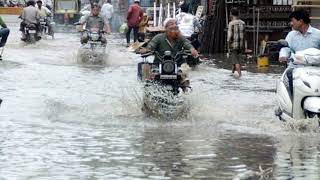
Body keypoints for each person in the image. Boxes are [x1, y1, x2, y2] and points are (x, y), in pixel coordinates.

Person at [139, 18, 199, 90]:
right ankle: (148, 93)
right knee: (148, 73)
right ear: (166, 28)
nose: (174, 26)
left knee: (185, 70)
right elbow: (151, 45)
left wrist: (192, 50)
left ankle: (186, 92)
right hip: (159, 63)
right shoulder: (159, 37)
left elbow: (187, 43)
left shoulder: (180, 38)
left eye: (175, 24)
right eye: (171, 24)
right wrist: (146, 50)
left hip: (178, 63)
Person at [279, 9, 320, 97]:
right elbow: (286, 48)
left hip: (315, 71)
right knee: (284, 85)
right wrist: (283, 56)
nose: (291, 23)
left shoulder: (318, 35)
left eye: (292, 21)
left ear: (300, 21)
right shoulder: (291, 35)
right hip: (294, 69)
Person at [227, 8, 245, 77]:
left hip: (234, 45)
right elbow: (245, 36)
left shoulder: (231, 23)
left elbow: (229, 37)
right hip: (241, 45)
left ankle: (240, 76)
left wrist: (228, 48)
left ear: (231, 14)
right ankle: (232, 74)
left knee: (236, 62)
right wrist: (245, 47)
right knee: (234, 60)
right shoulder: (243, 23)